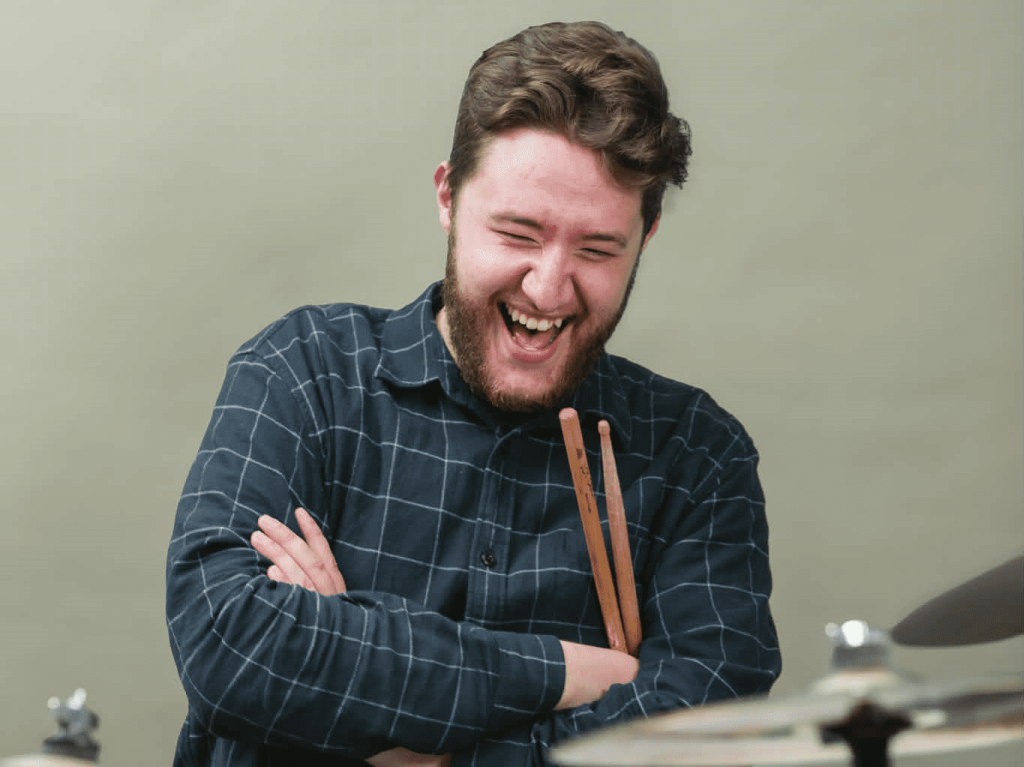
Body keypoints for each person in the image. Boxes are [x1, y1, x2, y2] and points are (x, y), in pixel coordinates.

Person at [166, 20, 781, 767]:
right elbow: (232, 645)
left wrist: (399, 724)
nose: (549, 288)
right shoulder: (304, 374)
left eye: (596, 248)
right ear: (449, 198)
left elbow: (707, 729)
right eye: (519, 233)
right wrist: (567, 672)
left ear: (644, 240)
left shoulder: (696, 456)